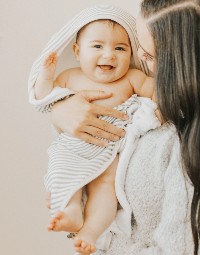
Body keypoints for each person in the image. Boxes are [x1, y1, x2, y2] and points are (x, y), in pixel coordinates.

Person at [30, 0, 200, 254]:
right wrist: (60, 110)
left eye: (147, 56)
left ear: (186, 67)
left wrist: (100, 238)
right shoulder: (155, 113)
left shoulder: (192, 147)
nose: (139, 63)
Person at [33, 10, 160, 255]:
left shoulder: (132, 77)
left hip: (110, 147)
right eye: (98, 46)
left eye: (120, 49)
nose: (109, 54)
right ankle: (70, 212)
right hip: (74, 146)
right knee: (62, 174)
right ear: (78, 52)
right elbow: (43, 98)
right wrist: (46, 75)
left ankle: (89, 232)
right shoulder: (70, 77)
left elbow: (157, 92)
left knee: (106, 187)